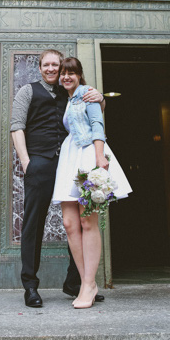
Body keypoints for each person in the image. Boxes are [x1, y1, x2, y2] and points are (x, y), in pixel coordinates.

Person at [11, 49, 105, 308]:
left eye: (56, 65)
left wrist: (101, 97)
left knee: (76, 222)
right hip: (39, 163)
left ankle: (77, 283)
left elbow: (92, 112)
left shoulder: (72, 91)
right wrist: (27, 162)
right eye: (47, 65)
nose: (52, 69)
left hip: (70, 163)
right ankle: (30, 286)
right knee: (33, 223)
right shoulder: (27, 91)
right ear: (39, 68)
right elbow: (16, 126)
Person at [52, 57, 132, 308]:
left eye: (71, 73)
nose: (66, 77)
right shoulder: (65, 97)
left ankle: (88, 284)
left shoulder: (88, 93)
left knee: (88, 220)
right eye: (63, 73)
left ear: (79, 75)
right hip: (69, 155)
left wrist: (99, 157)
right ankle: (86, 282)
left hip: (88, 152)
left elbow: (97, 124)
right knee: (69, 223)